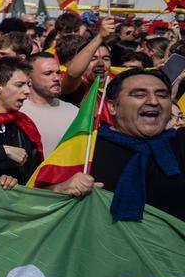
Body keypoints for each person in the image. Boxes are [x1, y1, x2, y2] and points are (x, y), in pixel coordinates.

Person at [43, 69, 185, 221]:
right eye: (139, 94)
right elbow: (35, 202)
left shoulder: (180, 142)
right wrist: (59, 189)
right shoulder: (84, 148)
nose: (153, 101)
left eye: (162, 95)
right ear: (112, 107)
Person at [22, 53, 79, 155]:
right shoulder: (17, 112)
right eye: (48, 73)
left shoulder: (75, 112)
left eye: (58, 72)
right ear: (29, 78)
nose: (56, 78)